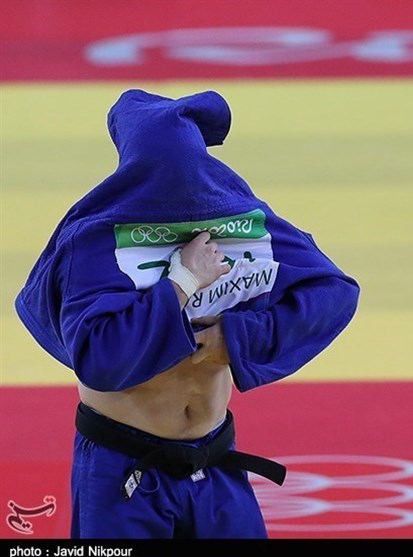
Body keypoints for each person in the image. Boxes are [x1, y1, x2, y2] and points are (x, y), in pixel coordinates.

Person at [15, 88, 360, 538]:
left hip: (214, 457)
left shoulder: (237, 221)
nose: (184, 183)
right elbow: (100, 358)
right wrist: (181, 281)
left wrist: (235, 339)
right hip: (123, 468)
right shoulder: (96, 240)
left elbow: (334, 294)